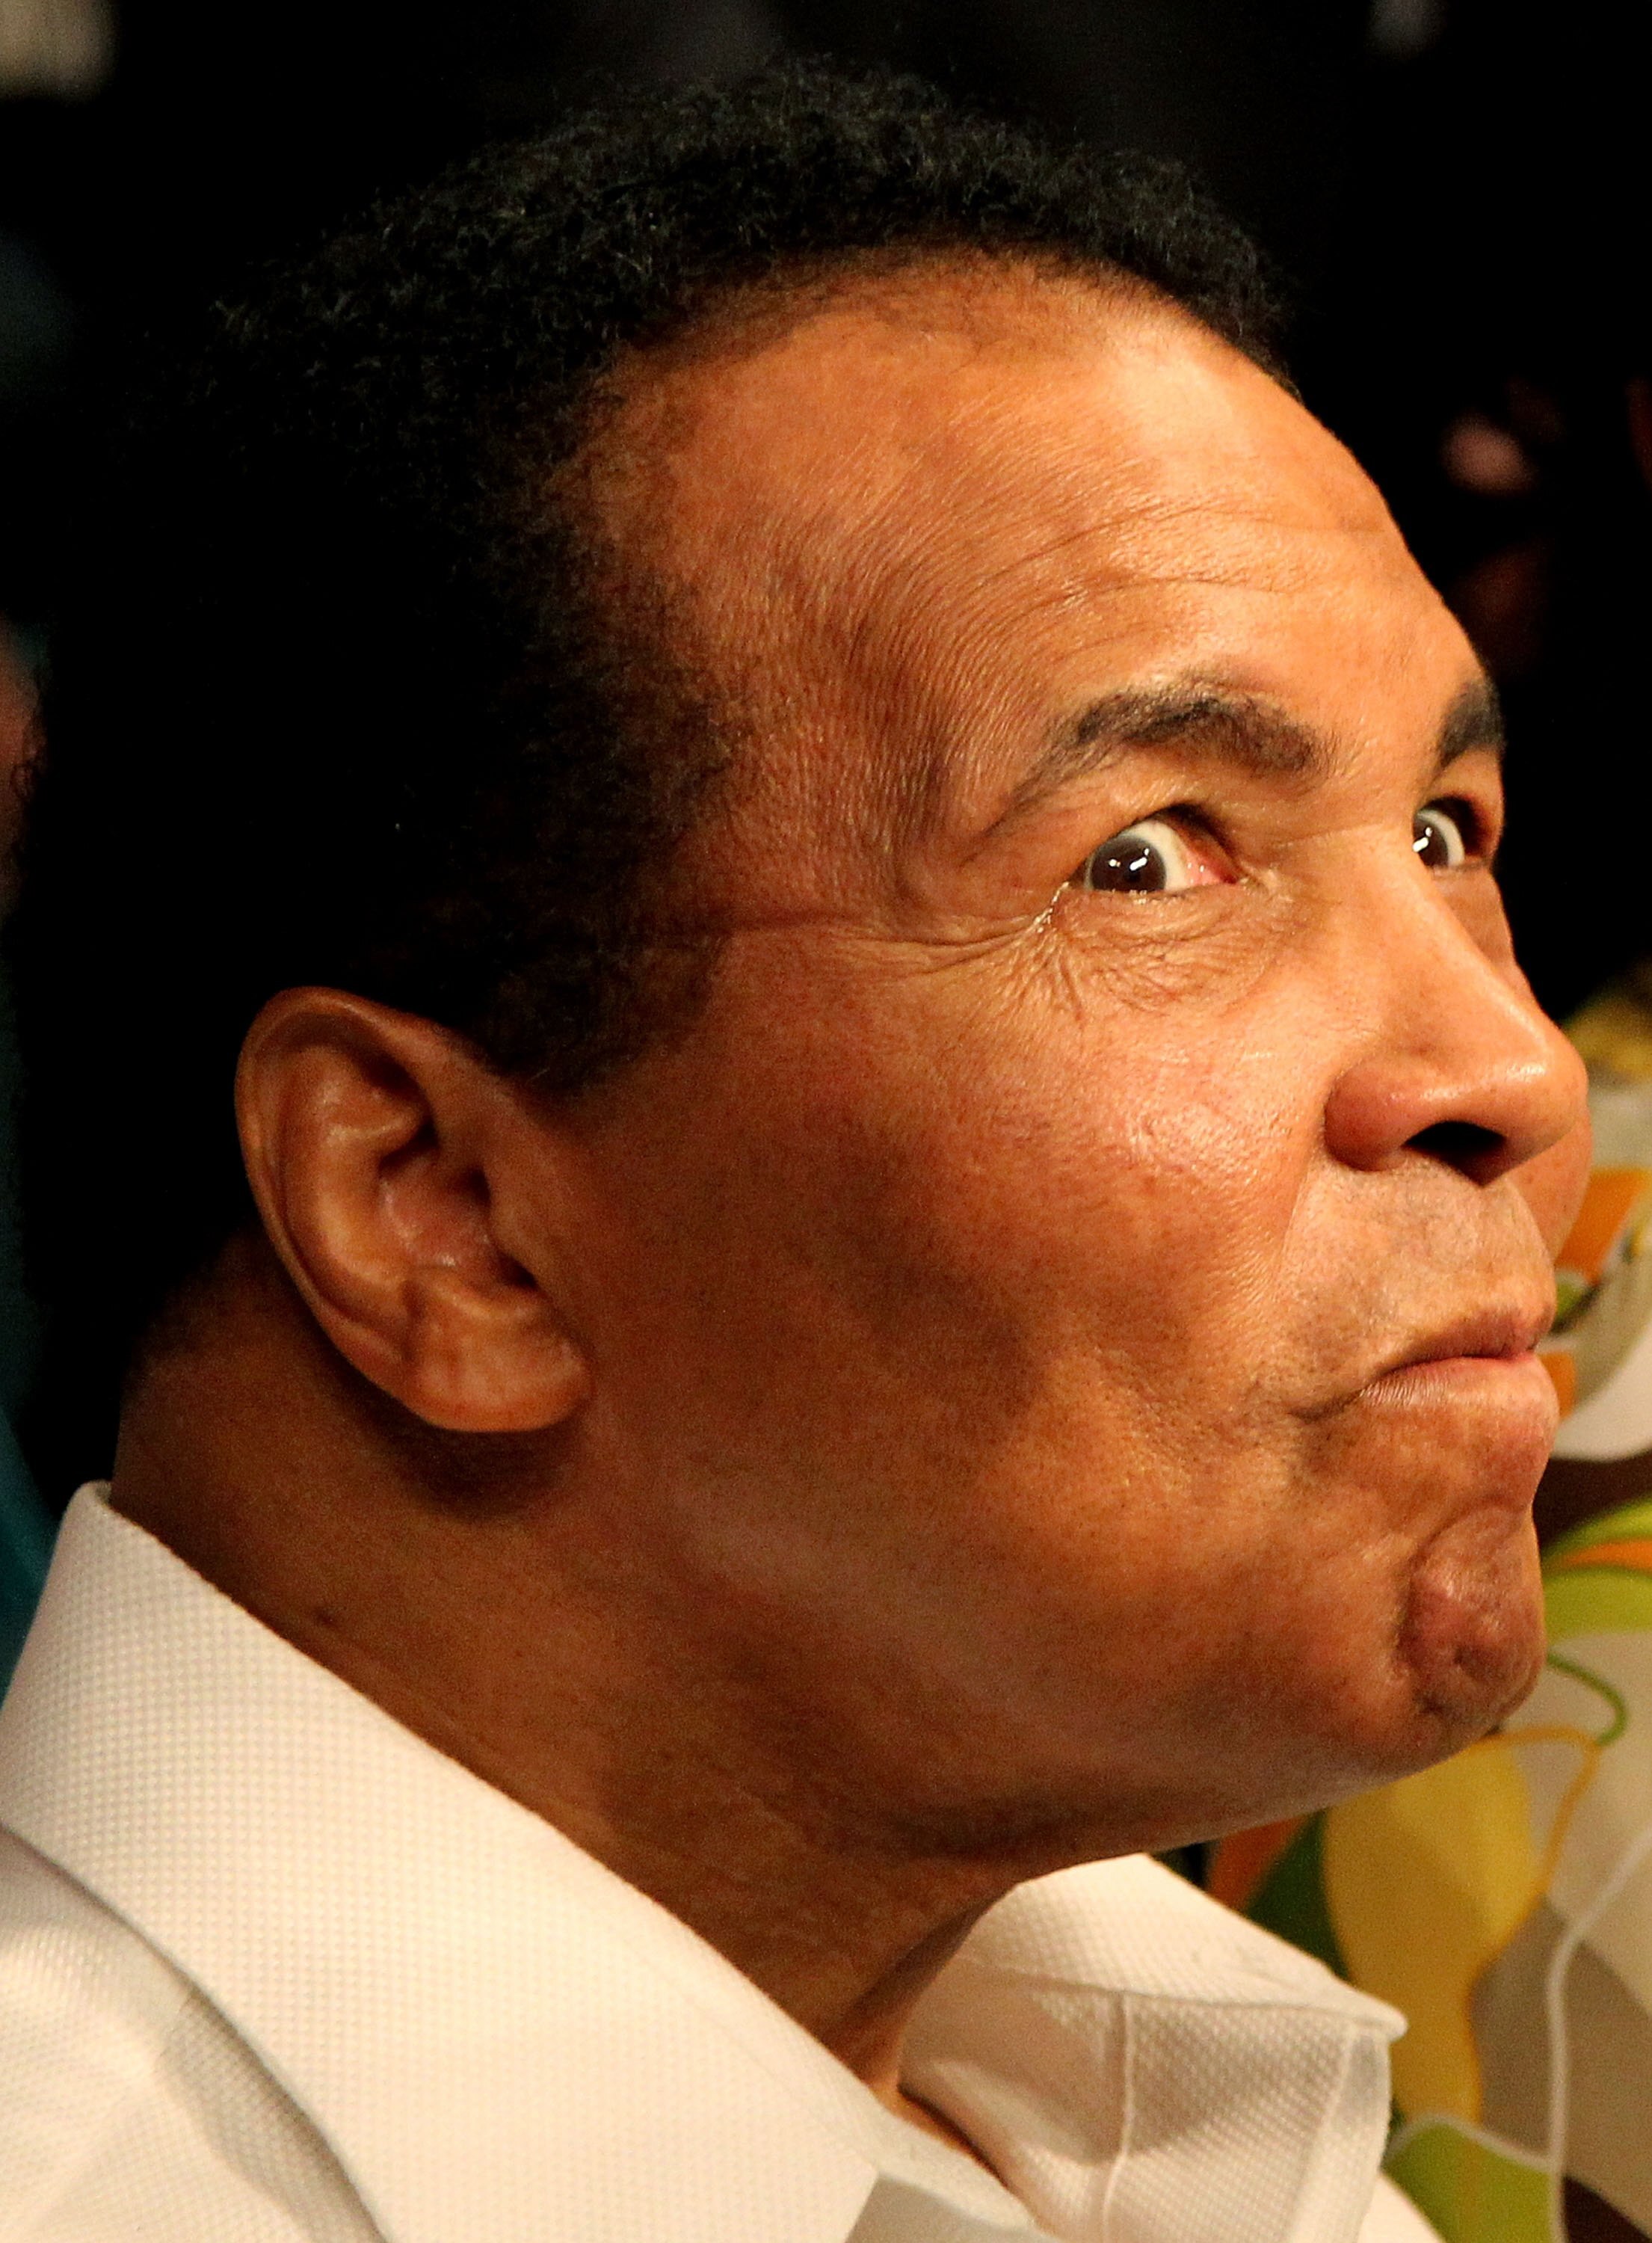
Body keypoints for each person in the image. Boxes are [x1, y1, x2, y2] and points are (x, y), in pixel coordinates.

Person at [0, 65, 1589, 2242]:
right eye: (1146, 860)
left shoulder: (1178, 2120)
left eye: (1442, 834)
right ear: (438, 1216)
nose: (1507, 1069)